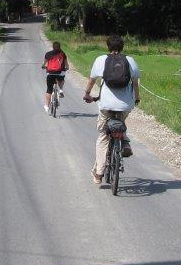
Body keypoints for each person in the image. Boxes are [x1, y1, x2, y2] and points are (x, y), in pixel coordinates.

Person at [82, 35, 140, 185]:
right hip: (125, 104)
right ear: (122, 47)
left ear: (108, 47)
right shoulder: (130, 60)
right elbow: (135, 83)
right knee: (120, 122)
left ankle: (99, 173)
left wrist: (87, 94)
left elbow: (92, 80)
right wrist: (137, 98)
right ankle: (125, 142)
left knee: (103, 136)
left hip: (106, 105)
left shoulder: (101, 60)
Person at [42, 41, 69, 112]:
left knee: (49, 90)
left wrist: (43, 66)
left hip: (50, 74)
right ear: (60, 47)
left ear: (53, 47)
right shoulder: (63, 54)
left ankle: (47, 106)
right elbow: (67, 65)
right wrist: (66, 68)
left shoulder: (48, 54)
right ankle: (61, 90)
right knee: (62, 79)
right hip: (59, 73)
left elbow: (44, 63)